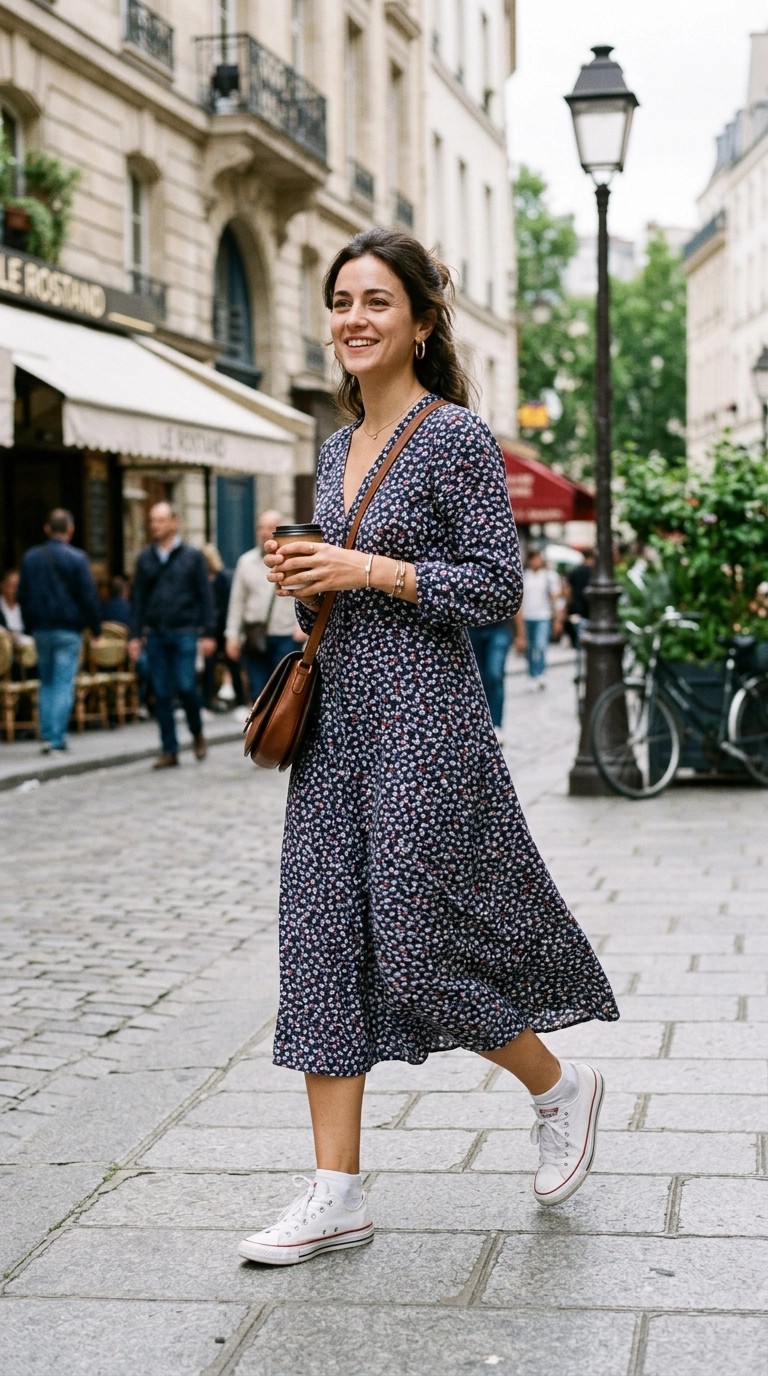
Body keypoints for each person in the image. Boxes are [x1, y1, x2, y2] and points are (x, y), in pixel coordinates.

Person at [237, 228, 618, 1269]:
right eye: (342, 301)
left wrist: (364, 567)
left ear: (420, 318)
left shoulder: (453, 437)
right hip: (336, 724)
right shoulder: (332, 443)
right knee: (319, 938)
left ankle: (558, 1085)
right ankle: (335, 1193)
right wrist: (307, 573)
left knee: (416, 938)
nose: (354, 318)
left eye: (377, 301)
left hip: (425, 721)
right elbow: (348, 575)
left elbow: (494, 585)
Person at [128, 502, 216, 769]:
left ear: (174, 522)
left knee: (186, 686)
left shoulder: (192, 556)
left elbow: (206, 597)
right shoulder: (145, 558)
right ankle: (170, 749)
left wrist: (209, 633)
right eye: (153, 521)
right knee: (162, 692)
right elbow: (138, 600)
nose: (155, 525)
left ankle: (197, 732)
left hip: (185, 631)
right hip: (156, 633)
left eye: (161, 520)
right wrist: (134, 635)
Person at [17, 508, 103, 754]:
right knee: (63, 682)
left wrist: (28, 625)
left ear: (47, 529)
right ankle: (56, 736)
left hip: (41, 629)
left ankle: (46, 734)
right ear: (70, 530)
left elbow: (23, 594)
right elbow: (88, 596)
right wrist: (96, 629)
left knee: (46, 681)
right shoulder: (77, 558)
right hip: (67, 628)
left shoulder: (31, 557)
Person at [225, 510, 306, 704]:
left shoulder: (295, 560)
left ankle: (281, 733)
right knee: (258, 693)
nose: (265, 532)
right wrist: (232, 635)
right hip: (255, 636)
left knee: (283, 693)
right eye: (261, 527)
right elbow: (237, 601)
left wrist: (303, 627)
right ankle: (259, 732)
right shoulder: (245, 562)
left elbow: (306, 594)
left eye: (270, 527)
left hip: (286, 635)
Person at [200, 544, 243, 711]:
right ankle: (207, 703)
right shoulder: (202, 579)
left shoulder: (223, 577)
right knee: (208, 667)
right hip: (210, 629)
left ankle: (240, 701)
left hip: (224, 628)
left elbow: (230, 603)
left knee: (233, 664)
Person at [516, 548, 559, 690]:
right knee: (529, 648)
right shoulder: (524, 576)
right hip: (528, 616)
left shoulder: (548, 576)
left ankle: (540, 673)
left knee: (540, 646)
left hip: (543, 616)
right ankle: (532, 674)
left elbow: (554, 598)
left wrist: (557, 618)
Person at [468, 617, 512, 742]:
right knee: (478, 679)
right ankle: (484, 725)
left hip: (498, 626)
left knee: (495, 675)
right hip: (472, 628)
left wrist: (521, 634)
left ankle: (496, 725)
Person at [566, 549, 595, 647]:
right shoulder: (596, 572)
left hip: (577, 610)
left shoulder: (575, 571)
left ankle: (581, 660)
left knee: (580, 641)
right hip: (592, 611)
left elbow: (567, 591)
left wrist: (569, 605)